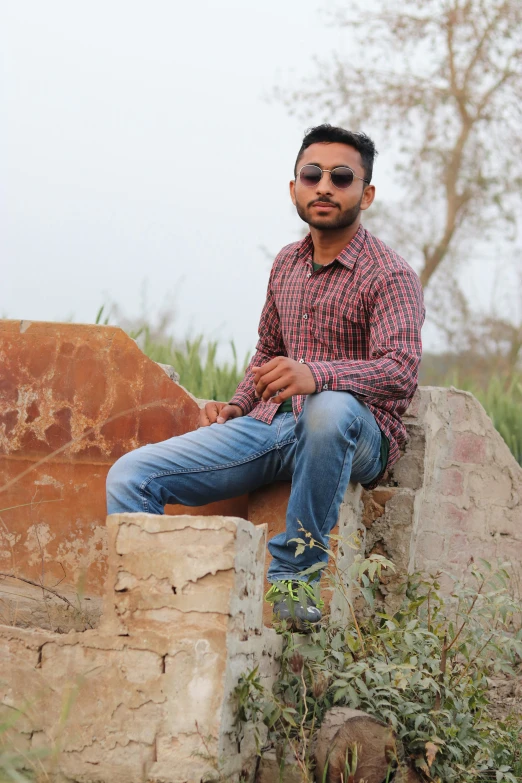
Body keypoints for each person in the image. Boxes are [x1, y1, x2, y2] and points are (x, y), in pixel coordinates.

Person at [106, 124, 425, 630]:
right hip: (272, 426)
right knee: (129, 475)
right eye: (311, 175)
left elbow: (400, 370)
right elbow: (269, 353)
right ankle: (147, 611)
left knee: (329, 407)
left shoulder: (389, 274)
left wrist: (316, 375)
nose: (324, 186)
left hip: (355, 434)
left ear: (365, 194)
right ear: (294, 187)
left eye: (341, 177)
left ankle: (294, 583)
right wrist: (236, 405)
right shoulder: (286, 264)